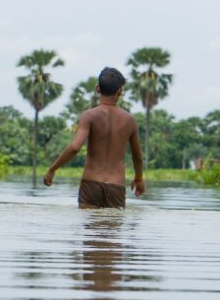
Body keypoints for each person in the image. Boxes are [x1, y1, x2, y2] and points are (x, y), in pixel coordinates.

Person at [43, 67, 145, 208]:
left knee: (90, 228)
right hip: (116, 186)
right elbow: (137, 157)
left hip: (91, 183)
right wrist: (139, 178)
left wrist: (52, 169)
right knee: (112, 229)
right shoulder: (130, 120)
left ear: (98, 89)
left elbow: (74, 147)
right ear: (120, 91)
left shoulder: (89, 116)